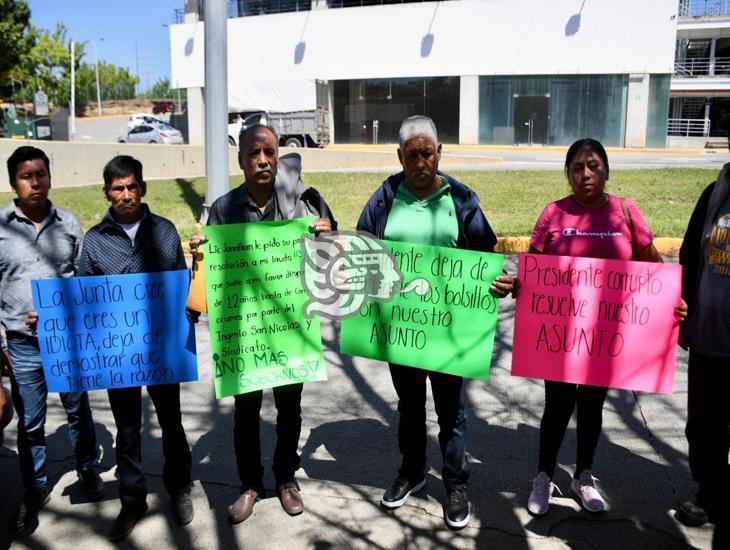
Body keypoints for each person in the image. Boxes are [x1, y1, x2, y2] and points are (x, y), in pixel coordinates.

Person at [356, 115, 514, 529]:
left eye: (428, 153)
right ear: (400, 157)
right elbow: (362, 245)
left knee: (450, 412)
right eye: (412, 156)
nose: (421, 162)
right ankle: (411, 472)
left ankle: (456, 483)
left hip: (448, 331)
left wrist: (496, 282)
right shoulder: (385, 197)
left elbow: (484, 255)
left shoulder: (461, 199)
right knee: (409, 407)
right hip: (401, 329)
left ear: (440, 152)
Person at [524, 138, 685, 516]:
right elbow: (533, 268)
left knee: (592, 406)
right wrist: (516, 286)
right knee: (557, 406)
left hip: (606, 335)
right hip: (562, 334)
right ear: (568, 174)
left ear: (606, 171)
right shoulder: (553, 214)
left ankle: (583, 476)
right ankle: (544, 476)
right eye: (577, 168)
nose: (585, 174)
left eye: (593, 166)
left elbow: (651, 262)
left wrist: (671, 299)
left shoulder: (624, 213)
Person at [189, 122, 336, 524]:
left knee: (290, 408)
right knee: (246, 410)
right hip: (246, 331)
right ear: (240, 160)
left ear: (277, 156)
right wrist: (200, 252)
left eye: (269, 152)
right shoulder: (224, 209)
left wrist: (326, 231)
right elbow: (210, 277)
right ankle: (250, 484)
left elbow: (327, 255)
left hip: (289, 327)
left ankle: (286, 479)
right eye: (254, 153)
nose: (263, 160)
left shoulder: (300, 203)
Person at [78, 155, 194, 541]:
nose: (125, 194)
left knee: (171, 423)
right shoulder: (94, 241)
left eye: (131, 186)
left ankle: (180, 488)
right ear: (106, 192)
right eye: (118, 188)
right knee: (127, 430)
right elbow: (85, 298)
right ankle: (132, 501)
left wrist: (187, 318)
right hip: (119, 353)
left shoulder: (163, 231)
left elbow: (180, 284)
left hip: (161, 350)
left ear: (143, 188)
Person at [0, 146, 103, 531]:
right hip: (21, 344)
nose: (36, 182)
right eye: (27, 176)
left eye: (41, 174)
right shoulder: (1, 228)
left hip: (67, 342)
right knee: (29, 423)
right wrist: (2, 345)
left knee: (79, 411)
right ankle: (34, 488)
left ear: (49, 177)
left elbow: (84, 283)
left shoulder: (70, 225)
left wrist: (60, 312)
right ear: (14, 183)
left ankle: (88, 469)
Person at [675, 118, 730, 528]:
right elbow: (689, 255)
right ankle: (709, 492)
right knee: (706, 424)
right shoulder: (714, 195)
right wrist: (682, 308)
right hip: (709, 335)